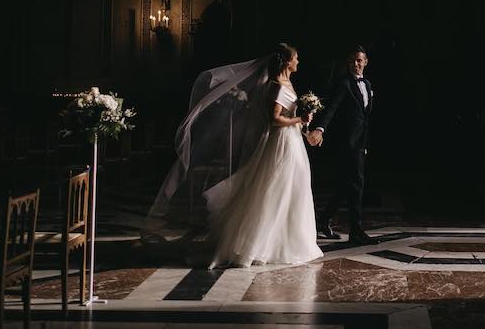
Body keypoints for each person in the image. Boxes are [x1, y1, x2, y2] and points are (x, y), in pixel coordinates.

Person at [146, 43, 323, 268]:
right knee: (275, 188)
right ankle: (261, 244)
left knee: (293, 188)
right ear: (287, 62)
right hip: (282, 143)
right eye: (296, 58)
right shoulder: (277, 85)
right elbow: (274, 119)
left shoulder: (286, 82)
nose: (298, 62)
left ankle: (288, 240)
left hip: (293, 141)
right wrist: (299, 120)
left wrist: (304, 126)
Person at [307, 46, 377, 245]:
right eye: (352, 61)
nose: (356, 64)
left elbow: (365, 117)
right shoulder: (344, 83)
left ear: (365, 62)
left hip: (361, 142)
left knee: (346, 184)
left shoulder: (368, 84)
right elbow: (331, 108)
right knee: (357, 183)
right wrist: (320, 128)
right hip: (347, 143)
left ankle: (323, 220)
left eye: (359, 60)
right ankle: (356, 230)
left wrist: (365, 143)